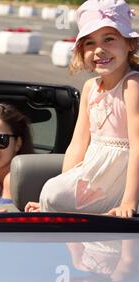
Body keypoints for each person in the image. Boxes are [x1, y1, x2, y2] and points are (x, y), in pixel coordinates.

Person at [26, 0, 139, 218]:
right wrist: (64, 187)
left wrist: (129, 201)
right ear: (80, 50)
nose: (99, 50)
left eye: (109, 39)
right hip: (95, 175)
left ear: (130, 44)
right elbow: (77, 144)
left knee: (53, 194)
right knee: (52, 191)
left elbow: (137, 146)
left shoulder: (132, 85)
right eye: (89, 43)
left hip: (125, 179)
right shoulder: (90, 88)